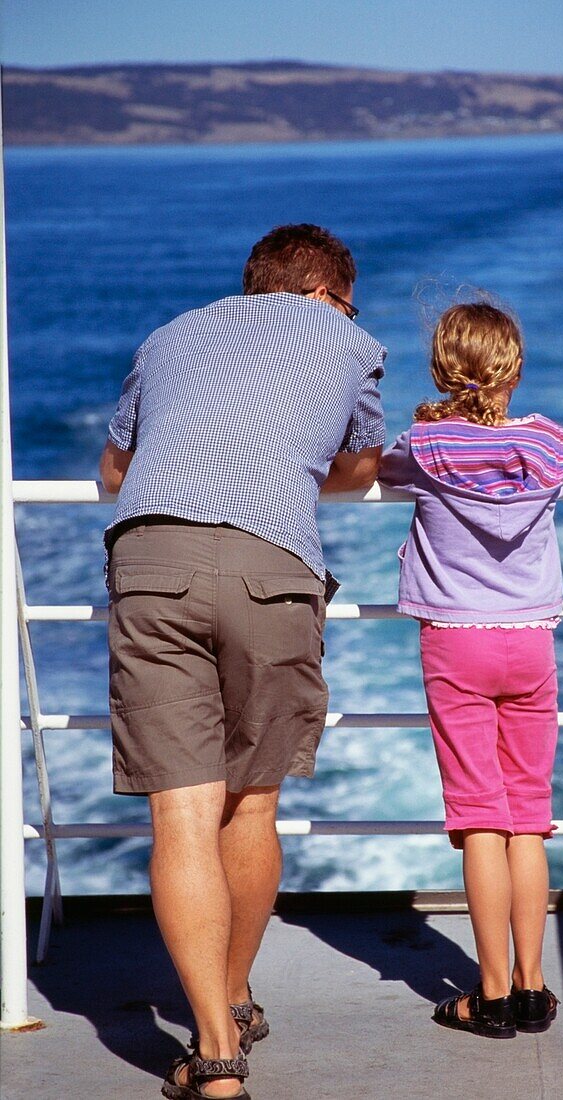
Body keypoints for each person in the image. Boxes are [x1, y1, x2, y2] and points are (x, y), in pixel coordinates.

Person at [100, 224, 386, 1099]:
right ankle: (230, 996)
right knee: (250, 801)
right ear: (319, 291)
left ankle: (216, 1055)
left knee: (180, 817)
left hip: (150, 560)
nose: (349, 312)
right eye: (346, 298)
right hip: (272, 567)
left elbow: (116, 468)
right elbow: (359, 464)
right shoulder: (351, 341)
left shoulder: (170, 334)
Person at [378, 300, 563, 1039]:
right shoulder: (550, 445)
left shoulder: (423, 444)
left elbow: (382, 468)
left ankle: (491, 992)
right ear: (516, 369)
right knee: (527, 815)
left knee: (479, 819)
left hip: (456, 643)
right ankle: (534, 987)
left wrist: (444, 417)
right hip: (529, 640)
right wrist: (514, 430)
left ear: (441, 371)